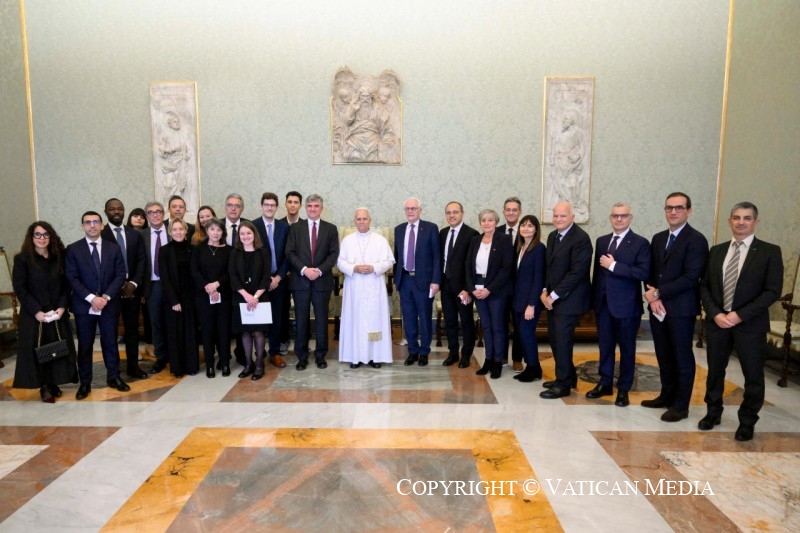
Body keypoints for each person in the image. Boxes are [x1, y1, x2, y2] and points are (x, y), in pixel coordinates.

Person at [698, 202, 783, 441]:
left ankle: (747, 421)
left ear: (756, 222)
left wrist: (739, 315)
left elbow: (772, 291)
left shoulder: (769, 252)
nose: (741, 222)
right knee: (715, 372)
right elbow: (704, 286)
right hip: (718, 323)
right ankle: (712, 413)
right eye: (736, 217)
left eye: (747, 218)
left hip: (750, 325)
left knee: (753, 375)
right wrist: (715, 313)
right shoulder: (717, 251)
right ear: (729, 221)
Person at [643, 192, 709, 422]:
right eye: (669, 208)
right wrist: (653, 297)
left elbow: (691, 277)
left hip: (681, 309)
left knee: (682, 357)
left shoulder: (696, 240)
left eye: (679, 208)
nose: (673, 212)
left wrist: (659, 293)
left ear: (689, 211)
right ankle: (666, 395)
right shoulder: (659, 238)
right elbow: (650, 272)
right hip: (658, 309)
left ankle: (681, 406)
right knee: (663, 354)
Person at [586, 203, 650, 407]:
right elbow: (597, 274)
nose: (619, 219)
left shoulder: (640, 243)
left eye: (623, 216)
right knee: (605, 347)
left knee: (627, 349)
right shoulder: (602, 241)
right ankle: (604, 382)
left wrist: (614, 266)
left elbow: (643, 273)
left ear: (630, 218)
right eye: (615, 216)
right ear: (610, 218)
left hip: (627, 306)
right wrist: (594, 302)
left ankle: (623, 388)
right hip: (603, 305)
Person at [65, 211, 128, 400]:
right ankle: (85, 383)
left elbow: (120, 274)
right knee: (85, 345)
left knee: (110, 343)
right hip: (84, 306)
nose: (92, 225)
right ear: (82, 226)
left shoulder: (113, 248)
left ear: (102, 225)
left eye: (95, 222)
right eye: (87, 222)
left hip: (109, 304)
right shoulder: (73, 249)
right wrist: (92, 297)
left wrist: (106, 297)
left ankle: (114, 377)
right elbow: (71, 277)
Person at [12, 221, 77, 403]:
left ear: (51, 236)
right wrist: (37, 312)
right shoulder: (22, 259)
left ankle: (54, 382)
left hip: (57, 313)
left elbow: (67, 285)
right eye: (38, 235)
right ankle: (45, 386)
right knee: (39, 350)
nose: (42, 238)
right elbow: (21, 288)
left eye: (45, 234)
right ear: (31, 238)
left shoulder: (60, 257)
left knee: (57, 349)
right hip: (35, 316)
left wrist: (62, 307)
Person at [540, 201, 592, 399]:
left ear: (572, 217)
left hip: (570, 300)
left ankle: (562, 386)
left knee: (562, 341)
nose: (558, 219)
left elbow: (577, 273)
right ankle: (568, 377)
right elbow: (550, 268)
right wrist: (545, 291)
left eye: (562, 216)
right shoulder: (553, 236)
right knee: (554, 339)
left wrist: (553, 296)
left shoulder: (581, 238)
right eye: (555, 216)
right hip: (553, 299)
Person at [286, 194, 339, 370]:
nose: (313, 209)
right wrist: (304, 270)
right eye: (309, 206)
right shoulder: (295, 228)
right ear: (305, 208)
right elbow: (290, 252)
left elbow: (333, 254)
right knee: (301, 320)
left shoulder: (330, 229)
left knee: (322, 320)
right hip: (300, 281)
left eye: (316, 206)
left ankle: (320, 355)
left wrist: (318, 270)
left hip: (322, 281)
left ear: (321, 208)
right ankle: (302, 356)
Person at [337, 208, 395, 368]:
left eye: (364, 219)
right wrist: (354, 268)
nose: (361, 221)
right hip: (354, 287)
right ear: (354, 221)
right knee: (354, 320)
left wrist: (374, 267)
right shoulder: (347, 241)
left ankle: (375, 357)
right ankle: (354, 356)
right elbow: (340, 262)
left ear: (370, 220)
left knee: (374, 321)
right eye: (358, 219)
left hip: (374, 286)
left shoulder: (380, 240)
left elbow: (390, 261)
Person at [101, 198, 148, 379]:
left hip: (132, 290)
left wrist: (134, 283)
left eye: (120, 209)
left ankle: (133, 367)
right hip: (109, 292)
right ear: (106, 212)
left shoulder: (134, 234)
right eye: (112, 209)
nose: (116, 212)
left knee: (132, 330)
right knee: (110, 331)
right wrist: (116, 286)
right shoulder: (101, 234)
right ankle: (112, 369)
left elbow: (141, 260)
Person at [466, 209, 514, 379]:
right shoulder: (475, 240)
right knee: (486, 327)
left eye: (490, 220)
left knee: (497, 327)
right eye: (484, 220)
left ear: (496, 222)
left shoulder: (504, 240)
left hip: (496, 291)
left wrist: (489, 289)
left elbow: (506, 268)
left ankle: (497, 362)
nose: (487, 223)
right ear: (480, 223)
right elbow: (468, 266)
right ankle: (488, 359)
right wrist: (472, 288)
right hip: (478, 290)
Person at [394, 197, 441, 367]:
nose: (410, 211)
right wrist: (396, 280)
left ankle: (424, 352)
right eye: (407, 208)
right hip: (405, 280)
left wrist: (436, 281)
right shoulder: (399, 229)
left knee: (425, 317)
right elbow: (397, 257)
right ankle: (413, 351)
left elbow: (437, 256)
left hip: (424, 281)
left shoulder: (430, 228)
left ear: (420, 210)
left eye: (414, 208)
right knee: (409, 318)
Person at [229, 220, 272, 380]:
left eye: (248, 233)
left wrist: (254, 297)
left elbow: (266, 277)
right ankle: (249, 364)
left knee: (258, 332)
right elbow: (233, 277)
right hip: (240, 298)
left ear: (254, 234)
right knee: (245, 332)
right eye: (242, 234)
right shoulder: (234, 253)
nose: (245, 236)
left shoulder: (263, 252)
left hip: (259, 298)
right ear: (238, 236)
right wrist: (246, 296)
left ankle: (260, 364)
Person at [190, 218, 232, 377]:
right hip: (203, 297)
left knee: (223, 330)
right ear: (207, 231)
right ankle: (209, 365)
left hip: (224, 295)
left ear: (223, 232)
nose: (216, 232)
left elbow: (231, 272)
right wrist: (206, 286)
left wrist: (216, 284)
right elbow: (194, 271)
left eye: (219, 230)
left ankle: (225, 363)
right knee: (207, 331)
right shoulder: (198, 249)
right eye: (212, 229)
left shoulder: (229, 250)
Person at [439, 202, 479, 368]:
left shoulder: (472, 234)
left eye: (455, 212)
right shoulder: (442, 233)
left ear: (462, 213)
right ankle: (453, 352)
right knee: (450, 322)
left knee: (466, 321)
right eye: (448, 212)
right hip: (446, 286)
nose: (452, 215)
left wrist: (469, 289)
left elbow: (473, 264)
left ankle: (466, 355)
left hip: (463, 288)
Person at [253, 192, 290, 368]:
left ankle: (274, 353)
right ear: (261, 206)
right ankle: (258, 354)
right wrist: (266, 277)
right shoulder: (253, 226)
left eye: (272, 205)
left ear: (277, 207)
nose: (269, 208)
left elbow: (287, 255)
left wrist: (278, 277)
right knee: (259, 319)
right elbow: (250, 255)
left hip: (279, 281)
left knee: (277, 318)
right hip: (259, 281)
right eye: (266, 204)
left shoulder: (284, 227)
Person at [159, 219, 198, 378]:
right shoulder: (164, 250)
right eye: (174, 229)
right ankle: (178, 367)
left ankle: (191, 366)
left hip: (191, 296)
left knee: (190, 331)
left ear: (185, 230)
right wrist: (174, 300)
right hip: (173, 298)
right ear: (169, 232)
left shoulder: (193, 249)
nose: (178, 232)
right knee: (175, 333)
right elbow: (165, 277)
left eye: (181, 229)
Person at [512, 215, 546, 383]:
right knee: (522, 334)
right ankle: (535, 368)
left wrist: (532, 304)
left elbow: (538, 279)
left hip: (530, 302)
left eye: (530, 226)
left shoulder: (539, 248)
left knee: (527, 334)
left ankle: (532, 368)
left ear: (536, 229)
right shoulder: (520, 247)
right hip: (518, 300)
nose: (526, 228)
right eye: (523, 225)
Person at [140, 201, 170, 374]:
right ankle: (160, 357)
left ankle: (175, 354)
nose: (155, 215)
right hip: (152, 285)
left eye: (158, 211)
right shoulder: (141, 236)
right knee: (156, 323)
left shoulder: (173, 232)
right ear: (147, 216)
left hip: (171, 285)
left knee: (172, 321)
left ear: (163, 214)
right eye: (151, 212)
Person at [497, 197, 523, 371]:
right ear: (504, 212)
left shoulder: (527, 231)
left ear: (519, 212)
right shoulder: (496, 232)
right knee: (500, 323)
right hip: (500, 288)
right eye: (508, 209)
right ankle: (502, 356)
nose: (511, 212)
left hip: (521, 287)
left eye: (514, 210)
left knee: (519, 325)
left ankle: (517, 358)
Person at [278, 191, 304, 355]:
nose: (293, 205)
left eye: (296, 202)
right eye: (290, 202)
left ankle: (302, 341)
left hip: (300, 275)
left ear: (300, 205)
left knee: (302, 311)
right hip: (281, 276)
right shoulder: (278, 224)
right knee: (282, 309)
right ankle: (283, 340)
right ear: (285, 204)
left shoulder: (305, 225)